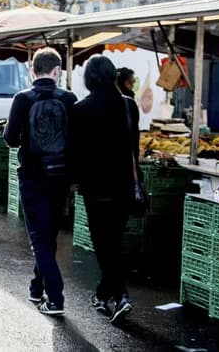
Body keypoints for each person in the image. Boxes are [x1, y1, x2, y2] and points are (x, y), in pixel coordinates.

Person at [3, 48, 77, 317]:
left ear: (32, 70)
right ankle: (37, 286)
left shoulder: (22, 99)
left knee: (38, 236)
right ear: (57, 71)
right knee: (49, 234)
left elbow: (10, 139)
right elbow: (76, 140)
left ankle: (55, 297)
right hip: (61, 175)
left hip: (32, 175)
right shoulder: (69, 99)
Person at [70, 56, 139, 323]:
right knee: (115, 241)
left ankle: (120, 295)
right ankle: (104, 293)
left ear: (89, 78)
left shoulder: (79, 109)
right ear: (113, 75)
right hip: (123, 184)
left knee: (103, 243)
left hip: (94, 186)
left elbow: (75, 151)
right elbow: (134, 147)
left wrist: (74, 181)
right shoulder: (129, 106)